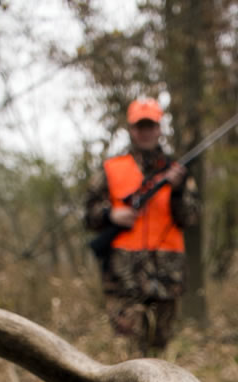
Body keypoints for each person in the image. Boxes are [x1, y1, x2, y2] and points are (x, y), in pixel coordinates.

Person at [85, 98, 198, 354]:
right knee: (127, 355)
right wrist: (111, 215)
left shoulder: (177, 171)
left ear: (159, 129)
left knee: (159, 355)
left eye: (151, 126)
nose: (145, 132)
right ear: (131, 129)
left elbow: (191, 218)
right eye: (140, 126)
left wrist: (177, 190)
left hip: (166, 276)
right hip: (123, 276)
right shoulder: (112, 168)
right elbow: (88, 215)